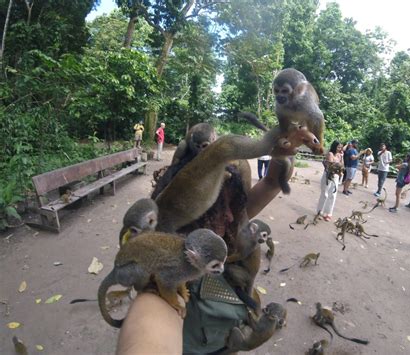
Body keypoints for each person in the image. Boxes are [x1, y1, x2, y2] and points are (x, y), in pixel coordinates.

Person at [117, 128, 308, 354]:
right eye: (220, 211)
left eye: (232, 208)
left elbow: (271, 183)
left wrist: (286, 147)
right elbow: (151, 324)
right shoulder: (166, 257)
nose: (230, 217)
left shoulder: (228, 228)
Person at [316, 140, 343, 221]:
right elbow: (331, 165)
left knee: (333, 195)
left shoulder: (340, 155)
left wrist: (339, 167)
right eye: (338, 147)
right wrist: (338, 166)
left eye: (341, 147)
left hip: (336, 176)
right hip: (328, 176)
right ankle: (320, 212)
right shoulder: (330, 154)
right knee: (325, 194)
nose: (340, 149)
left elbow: (342, 165)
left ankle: (328, 213)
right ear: (334, 147)